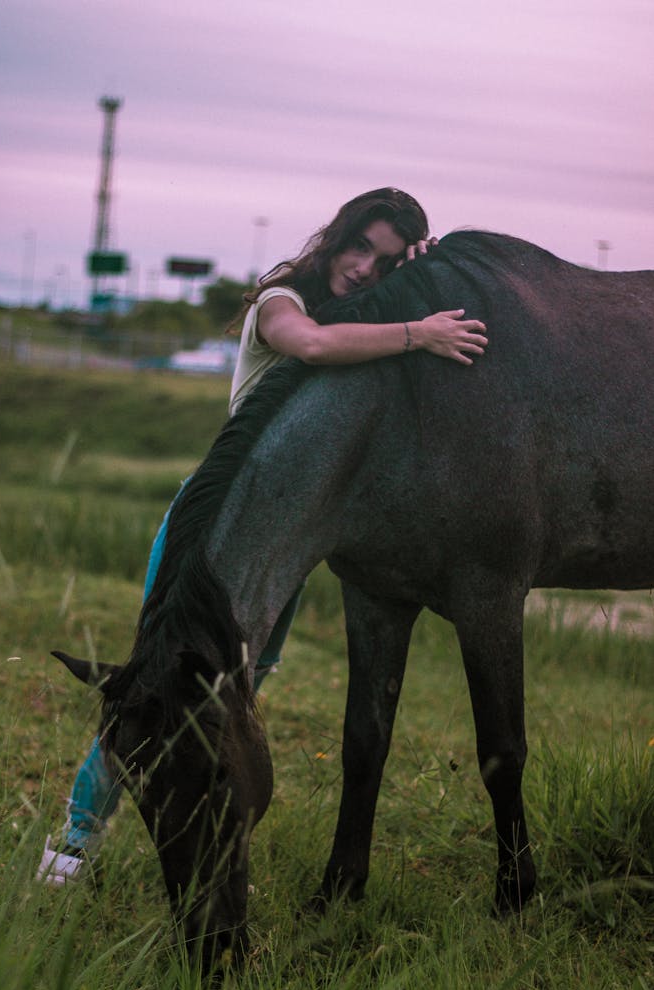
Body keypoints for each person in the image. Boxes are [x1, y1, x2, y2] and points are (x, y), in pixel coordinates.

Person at [37, 187, 487, 883]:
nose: (366, 267)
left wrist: (426, 272)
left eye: (388, 258)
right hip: (212, 526)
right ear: (335, 237)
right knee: (156, 687)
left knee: (232, 701)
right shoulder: (282, 295)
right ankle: (72, 841)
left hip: (288, 537)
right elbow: (308, 345)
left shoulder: (364, 311)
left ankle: (207, 831)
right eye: (359, 245)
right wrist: (418, 332)